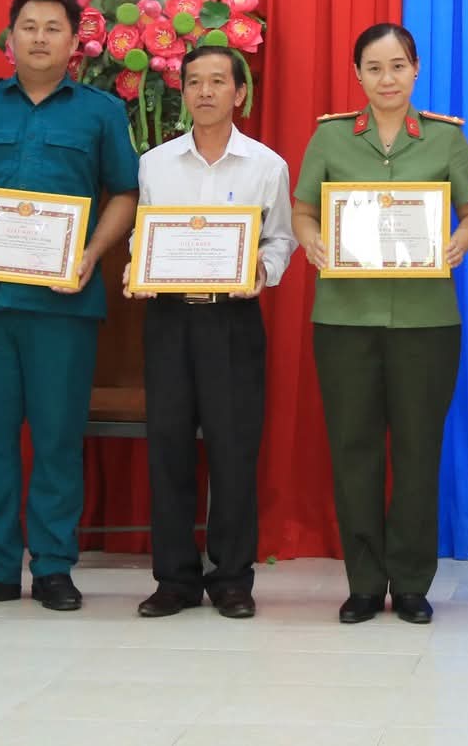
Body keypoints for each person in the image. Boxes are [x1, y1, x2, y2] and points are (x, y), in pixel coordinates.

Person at [0, 0, 140, 612]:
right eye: (29, 26)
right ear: (10, 37)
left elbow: (125, 194)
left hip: (63, 304)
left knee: (57, 439)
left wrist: (90, 255)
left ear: (75, 42)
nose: (40, 37)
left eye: (53, 27)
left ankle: (52, 566)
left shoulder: (101, 112)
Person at [291, 23, 468, 625]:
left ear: (416, 69)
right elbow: (303, 209)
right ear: (358, 74)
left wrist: (459, 241)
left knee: (418, 451)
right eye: (374, 68)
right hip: (344, 316)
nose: (387, 79)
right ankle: (363, 582)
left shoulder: (445, 138)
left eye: (398, 66)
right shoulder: (330, 137)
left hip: (427, 320)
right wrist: (312, 241)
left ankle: (411, 583)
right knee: (354, 450)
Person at [127, 45, 295, 619]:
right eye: (194, 81)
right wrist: (138, 265)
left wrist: (262, 271)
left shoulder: (266, 165)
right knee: (168, 449)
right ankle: (174, 579)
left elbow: (280, 239)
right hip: (169, 319)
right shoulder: (156, 164)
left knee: (233, 451)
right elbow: (145, 231)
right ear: (183, 93)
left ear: (239, 93)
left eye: (217, 81)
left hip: (232, 320)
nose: (204, 91)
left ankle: (231, 579)